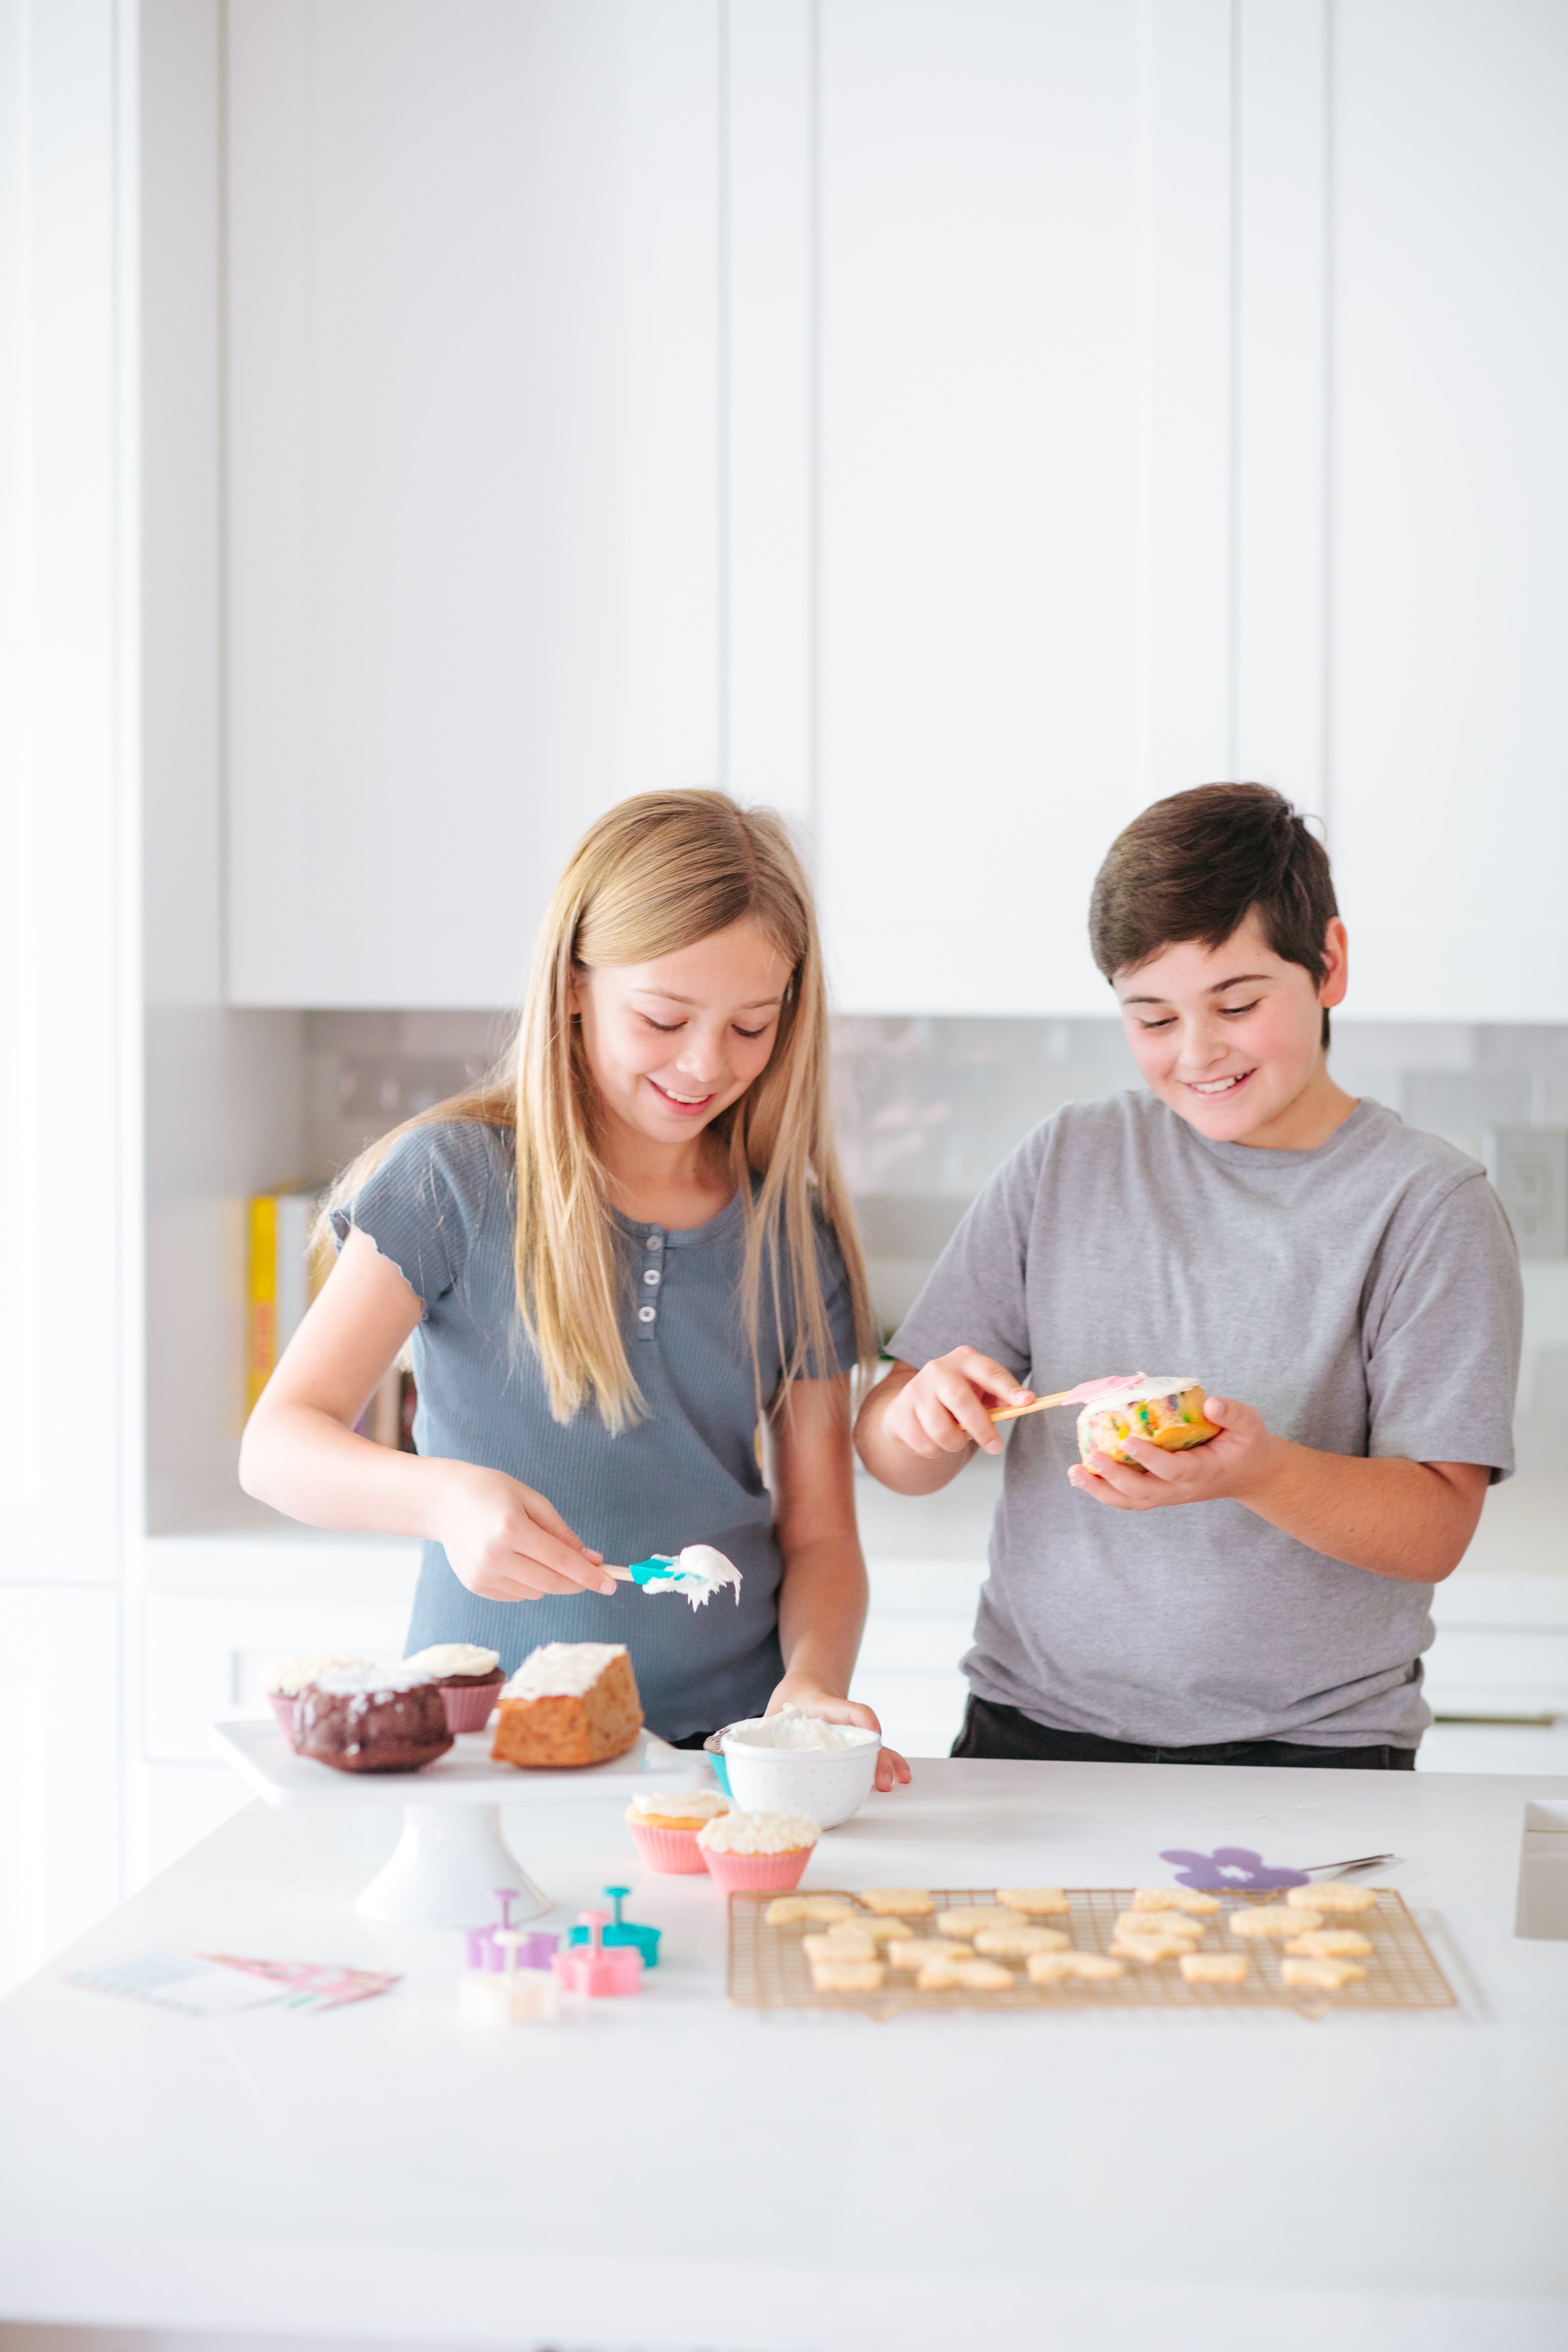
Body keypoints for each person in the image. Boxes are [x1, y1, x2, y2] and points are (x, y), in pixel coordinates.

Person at [241, 790, 907, 1782]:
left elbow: (819, 1537)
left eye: (751, 1026)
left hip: (719, 1750)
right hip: (484, 1747)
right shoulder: (452, 1183)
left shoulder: (788, 1232)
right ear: (574, 988)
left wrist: (808, 1687)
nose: (704, 1063)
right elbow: (279, 1445)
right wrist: (446, 1501)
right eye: (665, 1017)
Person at [854, 783, 1522, 1769]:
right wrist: (919, 1419)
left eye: (1239, 1004)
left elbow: (1435, 1530)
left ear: (1329, 964)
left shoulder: (1427, 1205)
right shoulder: (1069, 1159)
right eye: (1153, 1017)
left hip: (1310, 1753)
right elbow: (889, 1449)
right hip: (1031, 1732)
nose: (1198, 1052)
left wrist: (1263, 1471)